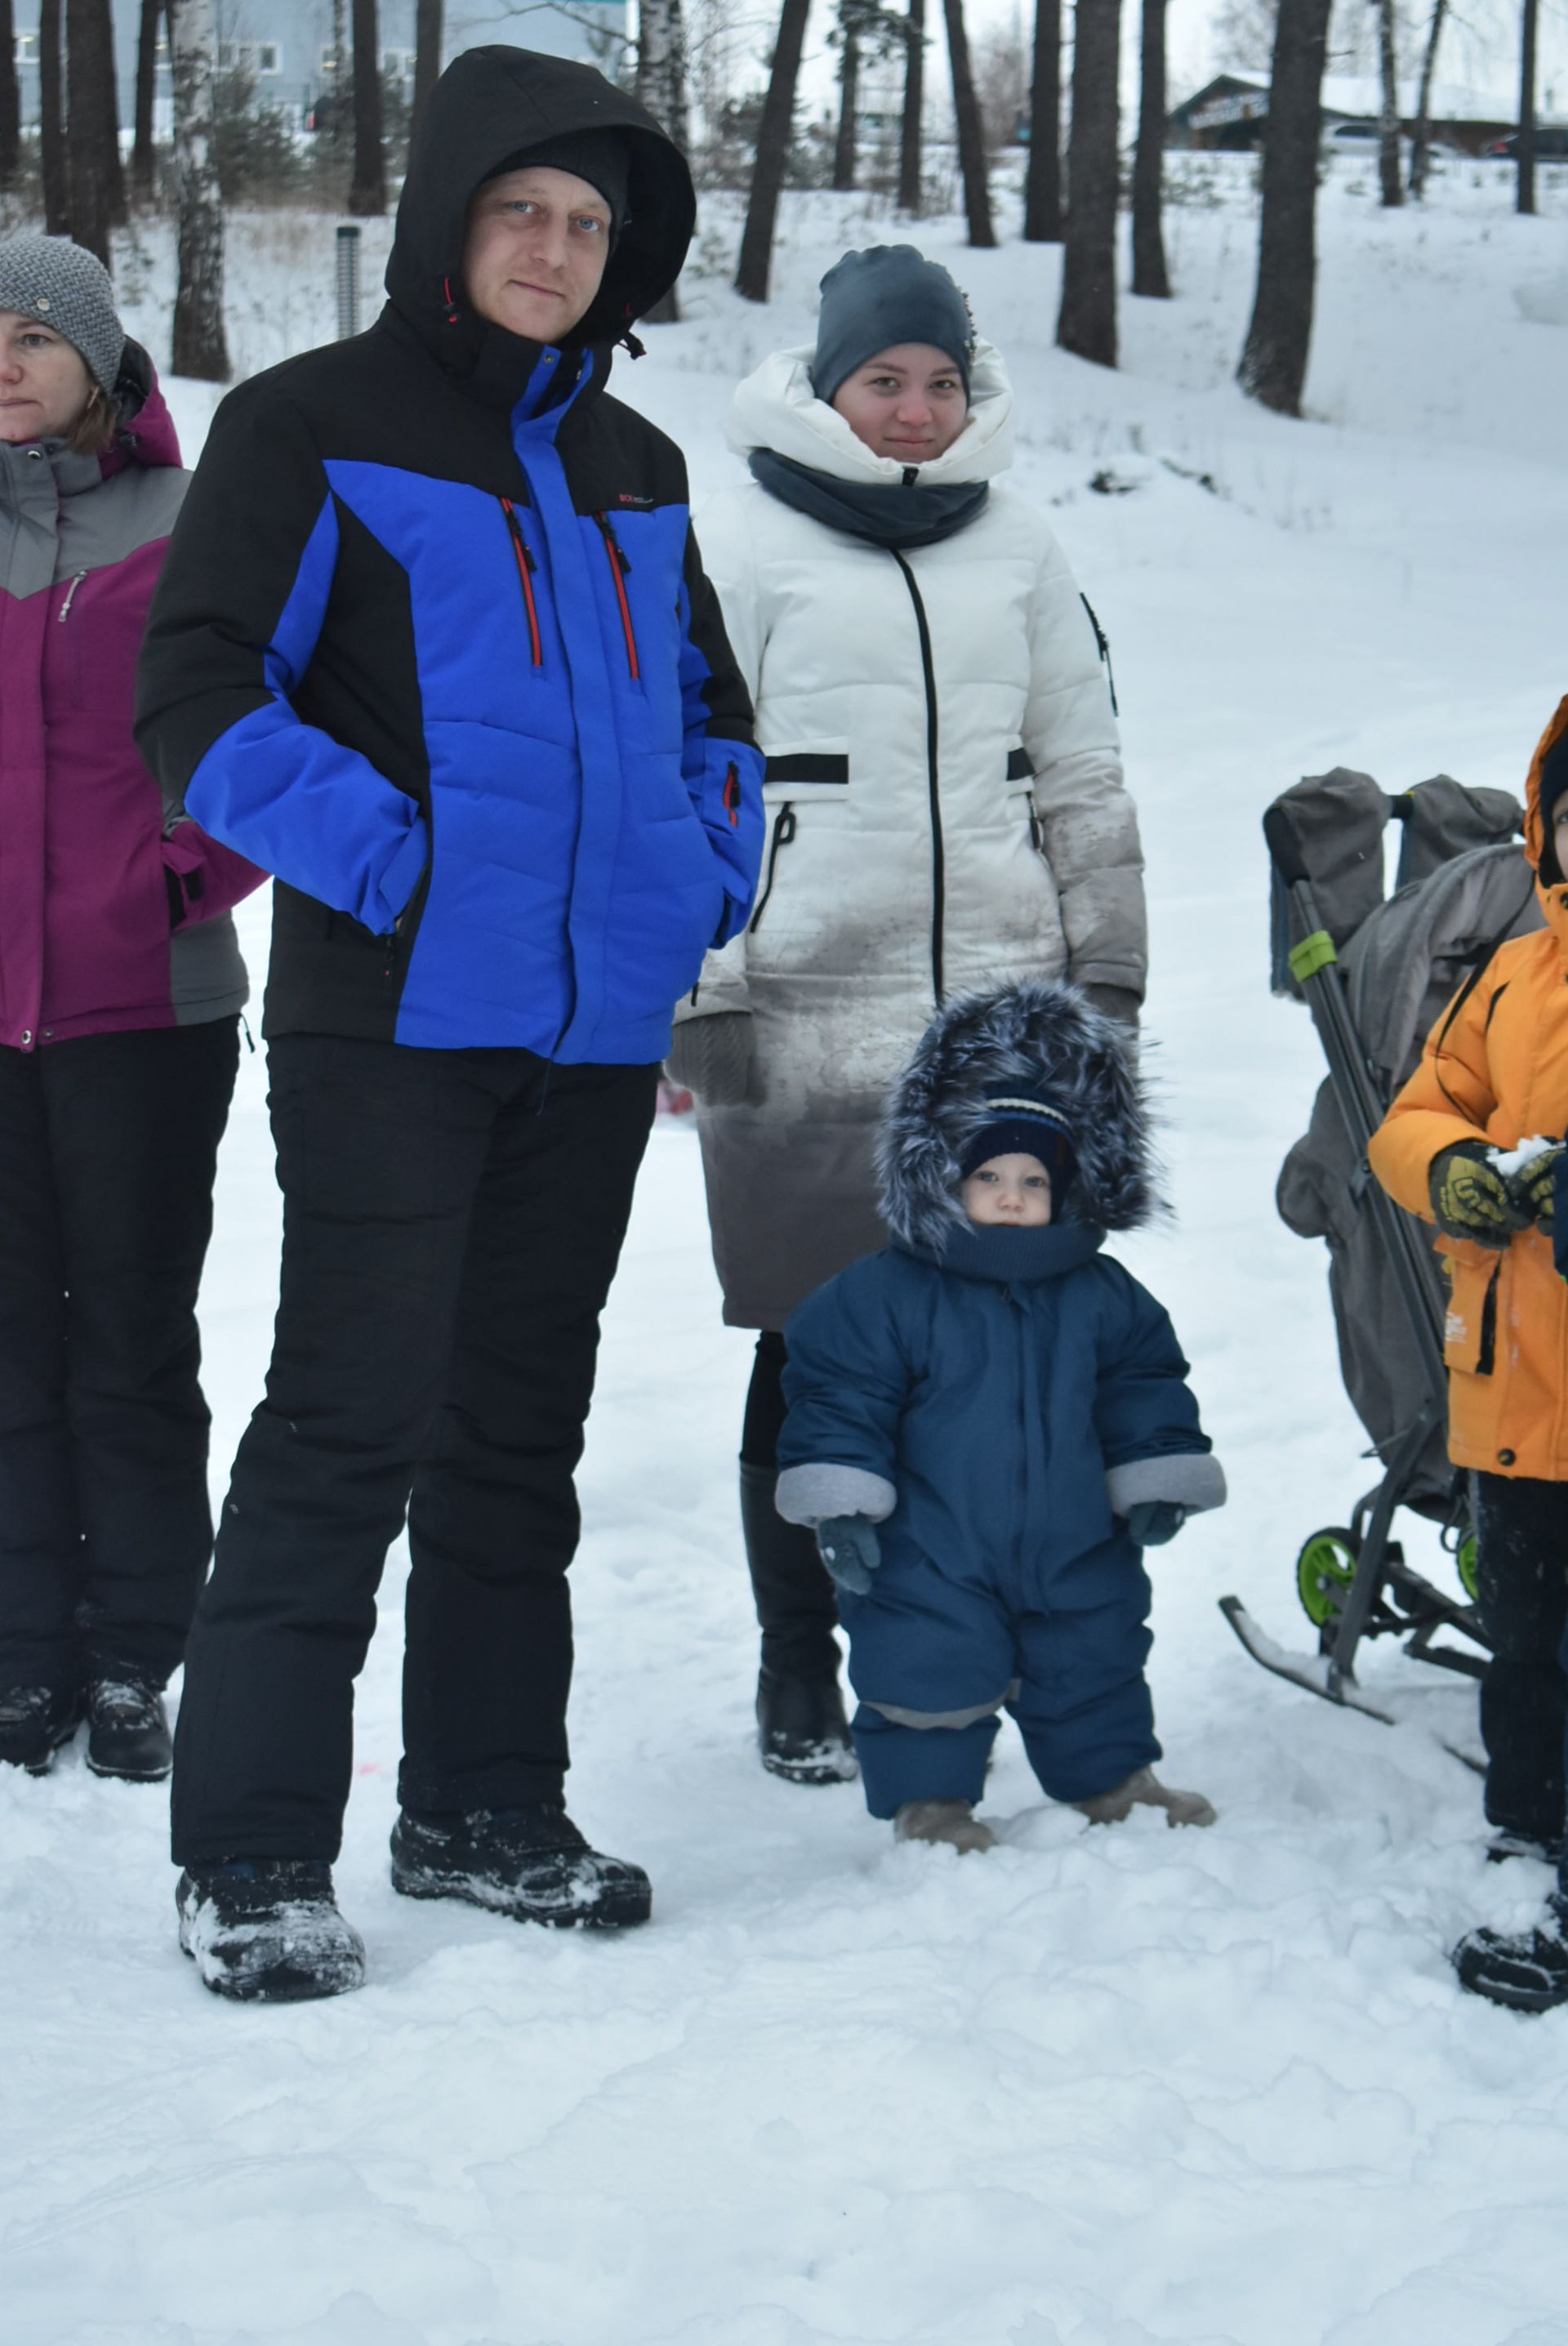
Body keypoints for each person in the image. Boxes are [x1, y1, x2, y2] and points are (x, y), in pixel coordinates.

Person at [135, 48, 763, 2001]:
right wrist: (396, 867)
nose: (556, 249)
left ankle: (480, 1804)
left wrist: (704, 868)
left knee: (517, 1433)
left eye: (589, 226)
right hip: (389, 1021)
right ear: (448, 219)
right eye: (524, 212)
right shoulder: (310, 425)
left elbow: (707, 717)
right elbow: (200, 696)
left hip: (585, 1037)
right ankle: (247, 1853)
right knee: (348, 1420)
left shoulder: (637, 463)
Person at [668, 246, 1147, 1786]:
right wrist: (703, 998)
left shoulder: (1020, 543)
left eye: (942, 381)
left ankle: (967, 1637)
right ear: (826, 382)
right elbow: (685, 784)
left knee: (1006, 1332)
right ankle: (799, 1655)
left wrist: (1108, 980)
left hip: (997, 1015)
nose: (918, 408)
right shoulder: (735, 536)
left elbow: (1078, 773)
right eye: (885, 379)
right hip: (803, 1005)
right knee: (820, 1345)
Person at [0, 238, 263, 1786]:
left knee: (133, 1337)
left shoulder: (190, 520)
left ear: (101, 360)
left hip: (145, 1002)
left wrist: (178, 879)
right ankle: (25, 1651)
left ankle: (137, 1651)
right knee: (8, 1344)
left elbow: (268, 721)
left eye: (36, 336)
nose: (9, 363)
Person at [768, 980, 1223, 1848]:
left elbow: (1145, 1382)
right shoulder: (885, 1296)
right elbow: (840, 1395)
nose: (1012, 1195)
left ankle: (1115, 1778)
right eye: (988, 1175)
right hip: (932, 1545)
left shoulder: (1103, 1296)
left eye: (1033, 1178)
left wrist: (1156, 1467)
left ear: (1071, 1186)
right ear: (945, 1175)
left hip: (1074, 1534)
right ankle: (931, 1803)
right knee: (927, 1662)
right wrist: (841, 1499)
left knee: (1093, 1653)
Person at [1369, 698, 1568, 2014]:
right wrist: (1453, 1173)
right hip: (1527, 1396)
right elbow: (1416, 1114)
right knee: (1534, 1640)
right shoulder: (1514, 976)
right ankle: (1530, 1849)